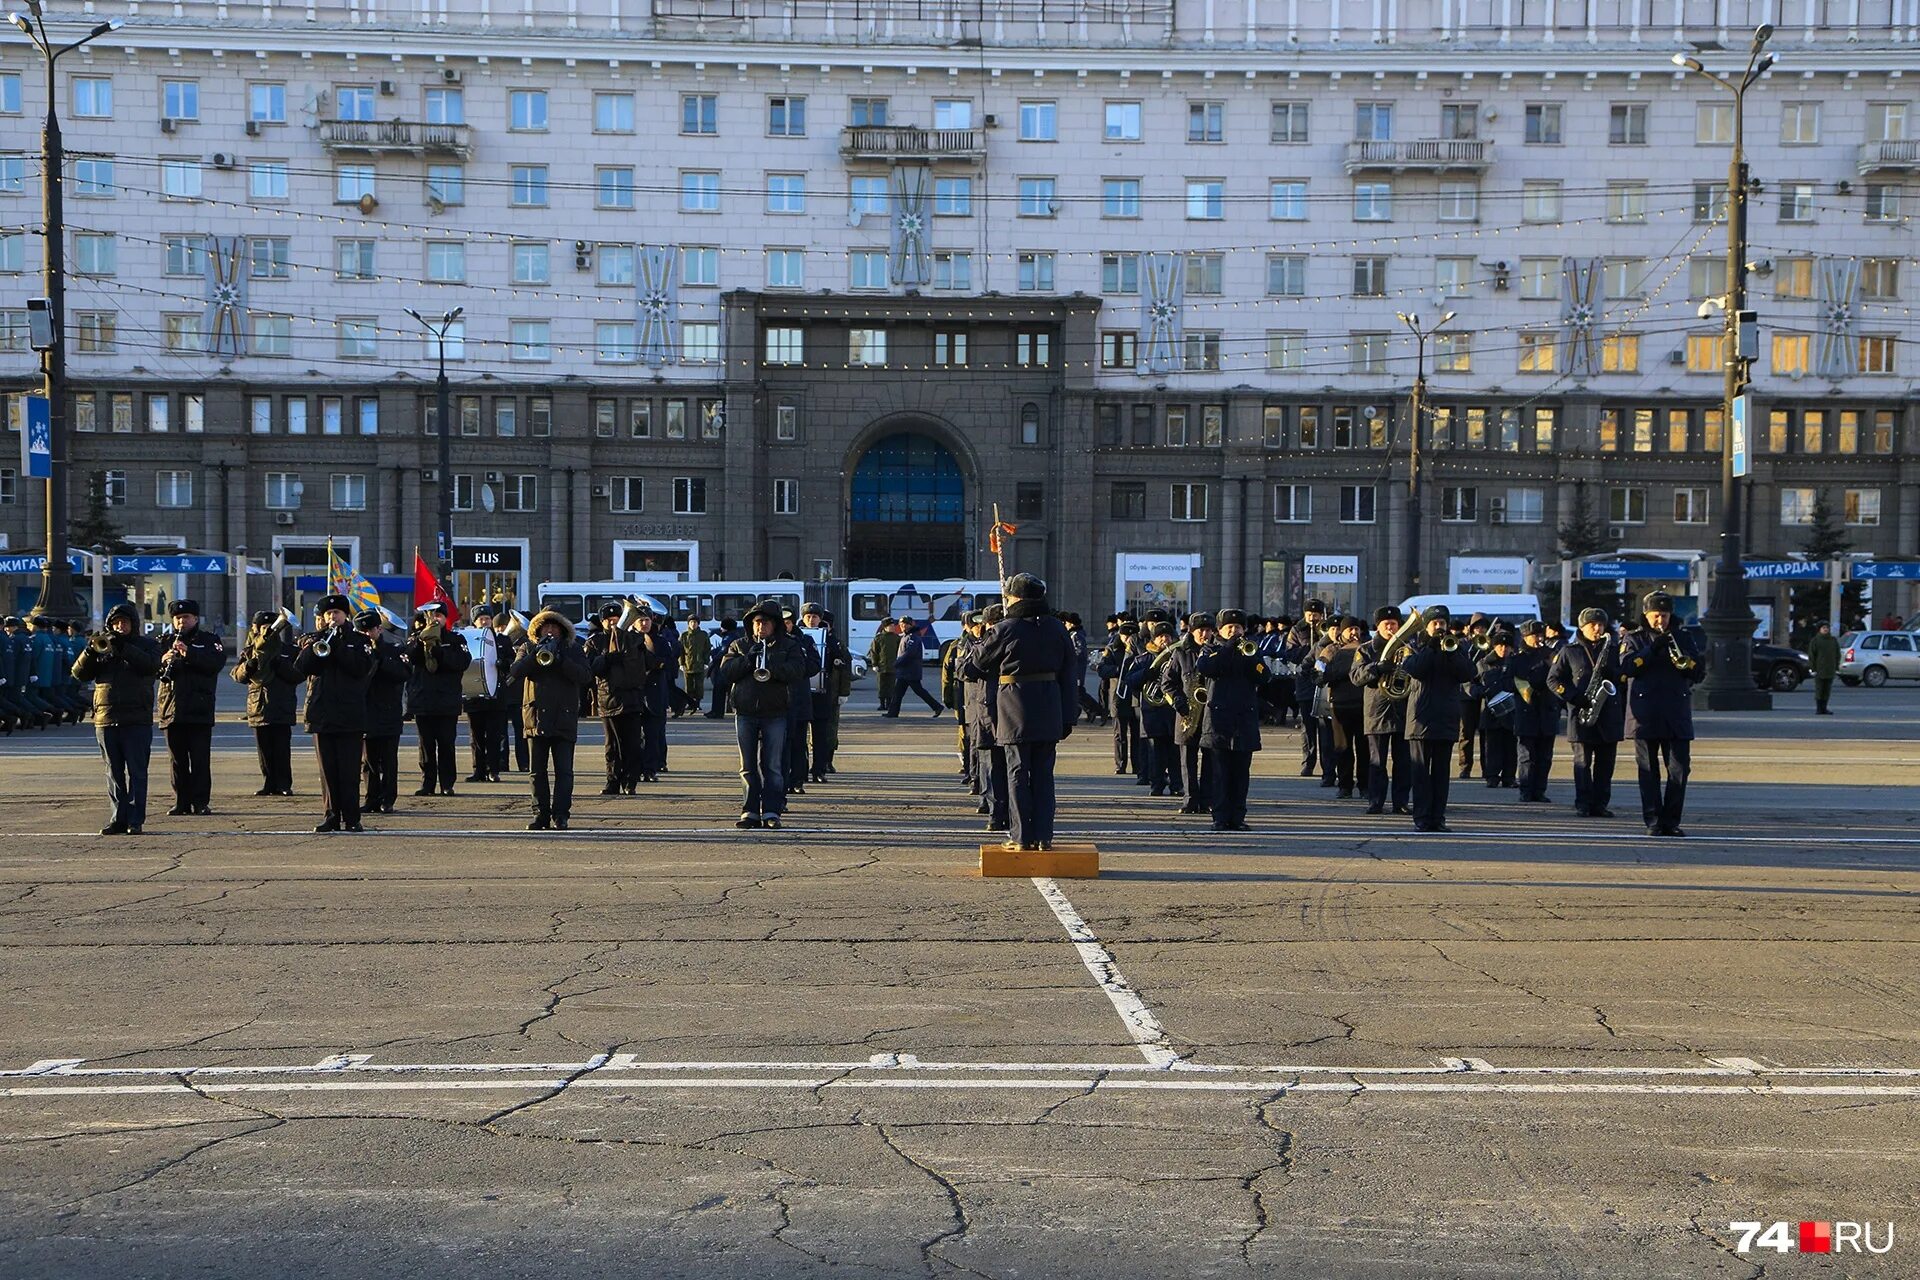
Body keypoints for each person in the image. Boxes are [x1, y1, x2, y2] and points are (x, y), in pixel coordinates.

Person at [963, 573, 1077, 852]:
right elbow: (1070, 674)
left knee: (1016, 773)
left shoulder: (1006, 628)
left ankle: (1021, 836)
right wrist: (1068, 716)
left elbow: (971, 667)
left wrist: (984, 639)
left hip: (1015, 709)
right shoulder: (1057, 628)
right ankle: (1044, 836)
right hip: (1050, 706)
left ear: (1015, 598)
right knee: (1043, 775)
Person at [1620, 591, 1705, 837]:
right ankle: (1654, 820)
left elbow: (1698, 671)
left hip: (1676, 712)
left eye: (1665, 615)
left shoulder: (1683, 637)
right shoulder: (1634, 639)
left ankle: (1672, 820)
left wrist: (1686, 663)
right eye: (1656, 615)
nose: (1661, 621)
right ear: (1646, 615)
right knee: (1648, 770)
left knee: (1679, 769)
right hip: (1644, 714)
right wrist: (1650, 652)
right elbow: (1626, 668)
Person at [72, 603, 162, 834]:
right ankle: (118, 818)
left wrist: (124, 648)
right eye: (116, 623)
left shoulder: (148, 645)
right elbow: (79, 674)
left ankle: (135, 819)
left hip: (136, 718)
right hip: (106, 716)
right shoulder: (103, 647)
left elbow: (150, 666)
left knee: (137, 772)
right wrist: (90, 652)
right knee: (113, 772)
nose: (120, 627)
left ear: (134, 624)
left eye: (125, 622)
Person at [717, 600, 808, 829]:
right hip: (745, 712)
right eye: (757, 623)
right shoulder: (739, 645)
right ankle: (749, 811)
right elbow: (726, 672)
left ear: (774, 624)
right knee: (747, 765)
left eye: (765, 623)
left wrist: (773, 665)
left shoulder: (788, 645)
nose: (761, 627)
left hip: (776, 712)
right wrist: (749, 659)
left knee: (773, 766)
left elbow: (799, 671)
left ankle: (771, 811)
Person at [293, 593, 374, 833]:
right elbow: (301, 668)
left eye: (336, 613)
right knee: (327, 770)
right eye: (328, 614)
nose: (332, 617)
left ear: (345, 615)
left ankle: (352, 817)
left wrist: (339, 647)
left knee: (349, 770)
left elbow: (361, 668)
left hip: (350, 714)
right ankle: (331, 816)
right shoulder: (316, 639)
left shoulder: (359, 641)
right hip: (322, 713)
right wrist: (318, 646)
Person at [512, 609, 592, 830]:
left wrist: (560, 660)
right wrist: (535, 655)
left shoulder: (573, 649)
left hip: (564, 717)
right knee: (536, 772)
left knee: (564, 771)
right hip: (535, 717)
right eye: (545, 627)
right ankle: (540, 815)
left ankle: (561, 815)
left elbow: (585, 676)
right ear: (538, 629)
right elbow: (516, 671)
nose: (550, 630)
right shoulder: (527, 647)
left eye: (554, 627)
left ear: (562, 630)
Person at [1401, 605, 1477, 833]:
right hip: (1420, 720)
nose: (1439, 627)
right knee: (1421, 773)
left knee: (1442, 774)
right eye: (1435, 623)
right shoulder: (1414, 646)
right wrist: (1431, 649)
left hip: (1446, 718)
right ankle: (1422, 818)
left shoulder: (1457, 648)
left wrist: (1451, 653)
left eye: (1442, 623)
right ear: (1427, 625)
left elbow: (1468, 673)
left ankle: (1438, 818)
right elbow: (1414, 669)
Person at [1195, 610, 1269, 831]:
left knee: (1240, 774)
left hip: (1244, 719)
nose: (1234, 631)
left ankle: (1237, 816)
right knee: (1219, 773)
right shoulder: (1211, 649)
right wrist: (1228, 649)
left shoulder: (1251, 650)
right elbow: (1206, 668)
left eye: (1238, 627)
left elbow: (1264, 676)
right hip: (1219, 721)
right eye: (1229, 627)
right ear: (1220, 630)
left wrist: (1251, 659)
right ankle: (1219, 816)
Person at [1547, 608, 1625, 818]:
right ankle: (1583, 802)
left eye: (1601, 625)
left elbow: (1625, 676)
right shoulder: (1569, 651)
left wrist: (1615, 674)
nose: (1598, 629)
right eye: (1593, 625)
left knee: (1605, 764)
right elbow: (1553, 679)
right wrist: (1572, 696)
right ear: (1582, 627)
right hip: (1581, 713)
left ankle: (1600, 804)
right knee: (1582, 762)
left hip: (1608, 714)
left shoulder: (1613, 649)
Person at [154, 599, 228, 817]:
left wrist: (189, 653)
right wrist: (163, 661)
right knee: (177, 760)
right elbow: (153, 671)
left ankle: (201, 802)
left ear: (195, 619)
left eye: (186, 617)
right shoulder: (165, 641)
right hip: (171, 708)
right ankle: (181, 801)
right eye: (178, 618)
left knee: (199, 759)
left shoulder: (208, 641)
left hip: (199, 709)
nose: (181, 622)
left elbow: (215, 664)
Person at [586, 602, 658, 795]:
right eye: (608, 621)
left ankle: (630, 781)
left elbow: (650, 664)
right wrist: (606, 659)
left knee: (633, 743)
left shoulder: (634, 640)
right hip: (608, 699)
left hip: (632, 698)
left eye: (616, 620)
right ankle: (612, 780)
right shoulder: (595, 641)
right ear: (602, 623)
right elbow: (590, 668)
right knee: (612, 745)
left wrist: (648, 642)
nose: (612, 624)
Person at [1350, 606, 1412, 816]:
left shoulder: (1408, 648)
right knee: (1377, 762)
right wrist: (1377, 667)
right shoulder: (1365, 649)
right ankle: (1375, 801)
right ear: (1378, 626)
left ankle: (1400, 802)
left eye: (1394, 624)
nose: (1390, 628)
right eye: (1386, 625)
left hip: (1403, 712)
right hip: (1377, 713)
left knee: (1404, 762)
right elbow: (1356, 677)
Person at [406, 603, 470, 796]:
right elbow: (410, 657)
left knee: (446, 744)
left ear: (445, 618)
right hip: (423, 701)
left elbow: (462, 662)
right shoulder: (417, 637)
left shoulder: (455, 639)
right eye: (431, 615)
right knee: (425, 746)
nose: (435, 619)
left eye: (439, 615)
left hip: (446, 701)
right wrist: (421, 640)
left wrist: (441, 653)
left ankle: (447, 783)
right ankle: (427, 783)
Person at [232, 610, 299, 796]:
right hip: (258, 705)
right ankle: (269, 782)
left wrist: (282, 667)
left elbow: (298, 675)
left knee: (282, 748)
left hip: (282, 704)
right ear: (255, 628)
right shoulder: (250, 650)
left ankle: (284, 784)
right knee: (264, 750)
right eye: (263, 628)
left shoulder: (288, 650)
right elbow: (237, 675)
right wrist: (248, 667)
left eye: (271, 628)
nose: (268, 631)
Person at [1159, 613, 1215, 814]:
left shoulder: (1216, 651)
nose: (1205, 634)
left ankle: (1207, 799)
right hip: (1187, 715)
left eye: (1209, 630)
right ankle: (1190, 799)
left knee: (1210, 759)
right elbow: (1167, 683)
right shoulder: (1181, 652)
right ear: (1191, 631)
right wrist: (1179, 703)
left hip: (1210, 714)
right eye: (1201, 630)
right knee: (1187, 760)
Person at [358, 611, 408, 815]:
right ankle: (371, 798)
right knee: (368, 760)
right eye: (363, 630)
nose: (368, 634)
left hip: (388, 711)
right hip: (366, 712)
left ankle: (387, 799)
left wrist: (380, 659)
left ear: (379, 629)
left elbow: (404, 673)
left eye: (371, 629)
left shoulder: (393, 650)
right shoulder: (356, 651)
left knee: (388, 760)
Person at [965, 607, 1009, 829]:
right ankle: (1001, 811)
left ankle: (996, 813)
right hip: (1003, 710)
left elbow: (968, 670)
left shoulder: (990, 641)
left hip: (990, 710)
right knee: (1005, 765)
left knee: (992, 765)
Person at [1123, 622, 1179, 797]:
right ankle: (1157, 784)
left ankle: (1177, 784)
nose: (1164, 639)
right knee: (1155, 753)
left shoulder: (1177, 656)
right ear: (1154, 639)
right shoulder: (1143, 659)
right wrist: (1146, 673)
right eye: (1161, 636)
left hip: (1173, 712)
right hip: (1152, 713)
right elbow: (1129, 680)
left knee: (1175, 753)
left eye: (1168, 636)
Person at [1511, 620, 1561, 803]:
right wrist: (1543, 667)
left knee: (1545, 756)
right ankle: (1526, 789)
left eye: (1541, 635)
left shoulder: (1551, 655)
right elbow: (1512, 682)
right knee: (1526, 756)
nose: (1539, 639)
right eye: (1535, 635)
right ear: (1525, 637)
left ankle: (1540, 790)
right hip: (1527, 712)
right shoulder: (1518, 659)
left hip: (1547, 710)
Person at [801, 603, 849, 782]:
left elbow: (842, 661)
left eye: (815, 617)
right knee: (799, 735)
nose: (811, 620)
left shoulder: (831, 639)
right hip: (802, 692)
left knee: (821, 734)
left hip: (823, 691)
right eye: (808, 616)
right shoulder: (797, 637)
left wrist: (843, 692)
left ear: (820, 619)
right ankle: (801, 770)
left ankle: (819, 770)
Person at [1285, 600, 1331, 782]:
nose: (1313, 618)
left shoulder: (1327, 629)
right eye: (1309, 614)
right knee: (1308, 727)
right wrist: (1310, 650)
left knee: (1325, 727)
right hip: (1304, 681)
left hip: (1323, 682)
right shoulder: (1297, 630)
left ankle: (1328, 766)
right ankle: (1308, 762)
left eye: (1316, 614)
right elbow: (1289, 653)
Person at [464, 605, 510, 783]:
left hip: (495, 697)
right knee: (476, 737)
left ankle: (493, 770)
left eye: (487, 618)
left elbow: (511, 662)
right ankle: (478, 770)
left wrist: (502, 663)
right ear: (475, 622)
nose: (484, 622)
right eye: (481, 619)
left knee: (493, 735)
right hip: (474, 696)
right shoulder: (468, 639)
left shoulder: (502, 641)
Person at [1471, 629, 1520, 790]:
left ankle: (1509, 777)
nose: (1503, 649)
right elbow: (1470, 683)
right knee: (1491, 747)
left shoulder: (1515, 662)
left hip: (1511, 711)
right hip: (1491, 712)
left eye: (1507, 646)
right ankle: (1491, 776)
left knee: (1510, 747)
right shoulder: (1483, 663)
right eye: (1500, 646)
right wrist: (1479, 692)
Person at [886, 619, 943, 717]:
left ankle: (937, 707)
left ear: (910, 625)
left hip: (910, 671)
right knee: (897, 693)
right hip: (904, 671)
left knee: (919, 691)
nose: (902, 626)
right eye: (900, 624)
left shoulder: (913, 637)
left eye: (904, 624)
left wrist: (897, 663)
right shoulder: (905, 636)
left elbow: (909, 654)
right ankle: (892, 713)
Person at [866, 616, 900, 713]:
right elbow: (874, 652)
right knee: (882, 686)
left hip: (893, 666)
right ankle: (882, 704)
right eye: (890, 625)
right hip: (881, 666)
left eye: (893, 625)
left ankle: (889, 704)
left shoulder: (896, 638)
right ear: (885, 627)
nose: (893, 627)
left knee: (891, 686)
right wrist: (874, 664)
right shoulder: (878, 638)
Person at [1808, 621, 1841, 715]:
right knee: (1819, 689)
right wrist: (1813, 669)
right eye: (1823, 628)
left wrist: (1836, 667)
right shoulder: (1815, 640)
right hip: (1819, 669)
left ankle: (1824, 708)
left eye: (1827, 627)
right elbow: (1812, 655)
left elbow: (1837, 654)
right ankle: (1819, 708)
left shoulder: (1833, 640)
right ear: (1820, 629)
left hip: (1830, 669)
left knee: (1827, 690)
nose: (1826, 629)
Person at [679, 615, 709, 712]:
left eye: (695, 622)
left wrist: (706, 661)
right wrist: (681, 663)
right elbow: (681, 651)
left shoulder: (703, 635)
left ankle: (697, 703)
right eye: (691, 622)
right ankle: (690, 703)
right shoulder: (684, 635)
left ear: (698, 624)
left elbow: (707, 649)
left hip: (700, 664)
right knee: (689, 686)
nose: (693, 624)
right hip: (688, 664)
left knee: (699, 685)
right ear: (688, 624)